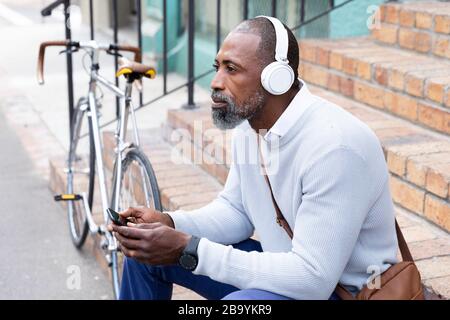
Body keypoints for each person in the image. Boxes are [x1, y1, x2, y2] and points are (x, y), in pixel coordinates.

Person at [108, 16, 398, 300]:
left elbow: (313, 280)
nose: (216, 82)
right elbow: (236, 211)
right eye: (217, 67)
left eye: (231, 69)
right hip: (287, 270)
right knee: (145, 254)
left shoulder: (336, 147)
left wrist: (189, 249)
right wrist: (170, 223)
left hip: (343, 291)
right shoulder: (252, 127)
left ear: (277, 79)